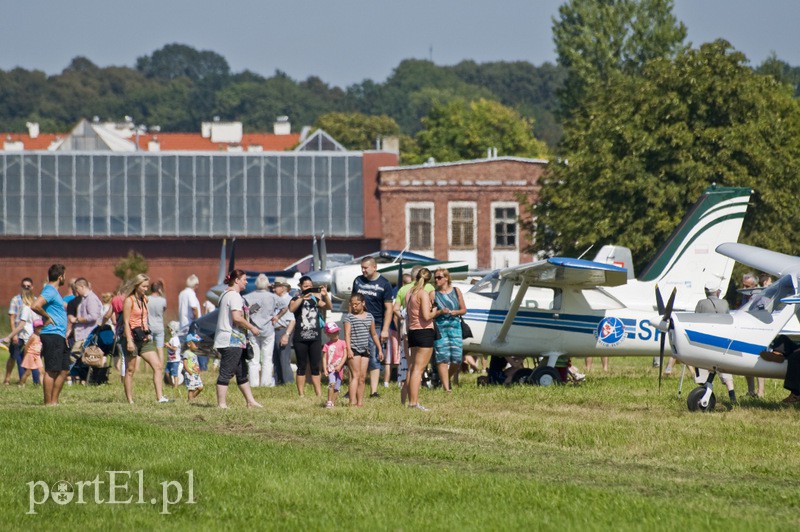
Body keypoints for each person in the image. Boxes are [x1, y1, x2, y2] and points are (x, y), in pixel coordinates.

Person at [214, 269, 262, 409]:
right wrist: (252, 328)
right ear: (236, 280)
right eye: (244, 279)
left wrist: (248, 311)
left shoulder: (225, 294)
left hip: (232, 339)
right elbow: (236, 318)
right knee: (226, 372)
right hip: (231, 340)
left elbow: (234, 315)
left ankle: (250, 401)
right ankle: (221, 404)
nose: (247, 282)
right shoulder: (235, 296)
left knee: (241, 372)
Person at [122, 274, 168, 404]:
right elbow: (126, 322)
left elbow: (145, 318)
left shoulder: (145, 299)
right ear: (137, 286)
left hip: (144, 338)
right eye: (143, 286)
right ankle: (130, 400)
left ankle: (160, 398)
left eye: (147, 286)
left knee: (158, 366)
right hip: (132, 338)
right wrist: (129, 341)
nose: (146, 289)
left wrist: (147, 332)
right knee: (130, 370)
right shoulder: (129, 301)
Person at [351, 256, 394, 398]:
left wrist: (385, 330)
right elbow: (352, 302)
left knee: (374, 357)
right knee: (355, 355)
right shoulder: (357, 281)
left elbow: (389, 308)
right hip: (357, 324)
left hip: (375, 325)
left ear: (374, 267)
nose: (363, 270)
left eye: (366, 267)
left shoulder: (384, 284)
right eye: (361, 267)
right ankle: (354, 387)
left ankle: (374, 391)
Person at [30, 264, 70, 406]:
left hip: (59, 335)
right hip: (51, 334)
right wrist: (47, 317)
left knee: (64, 369)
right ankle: (48, 403)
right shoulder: (50, 291)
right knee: (52, 369)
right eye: (64, 275)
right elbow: (35, 305)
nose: (65, 278)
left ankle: (54, 401)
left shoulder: (54, 292)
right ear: (60, 277)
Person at [694, 281, 738, 404]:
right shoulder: (724, 303)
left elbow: (696, 319)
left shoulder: (701, 303)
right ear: (717, 292)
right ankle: (732, 395)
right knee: (724, 368)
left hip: (705, 340)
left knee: (703, 365)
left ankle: (703, 390)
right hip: (722, 340)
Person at [400, 268, 436, 411]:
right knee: (418, 370)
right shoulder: (423, 293)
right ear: (429, 281)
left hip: (413, 332)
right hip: (424, 332)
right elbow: (427, 316)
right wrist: (436, 311)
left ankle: (411, 401)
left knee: (413, 367)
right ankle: (413, 403)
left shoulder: (410, 293)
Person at [288, 276, 328, 398]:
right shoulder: (295, 298)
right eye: (305, 286)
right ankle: (301, 394)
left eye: (310, 286)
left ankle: (319, 393)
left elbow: (328, 306)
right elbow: (291, 308)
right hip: (301, 338)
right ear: (300, 286)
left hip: (315, 337)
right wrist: (302, 297)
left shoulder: (315, 299)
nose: (308, 289)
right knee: (301, 366)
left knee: (316, 366)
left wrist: (324, 295)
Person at [344, 293, 384, 407]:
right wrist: (349, 349)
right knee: (355, 375)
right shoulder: (349, 317)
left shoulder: (369, 317)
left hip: (365, 350)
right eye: (352, 304)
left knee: (362, 377)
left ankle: (360, 402)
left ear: (363, 303)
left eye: (357, 304)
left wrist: (380, 349)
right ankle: (352, 402)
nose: (354, 307)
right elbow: (347, 334)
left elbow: (374, 334)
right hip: (354, 348)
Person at [431, 268, 467, 391]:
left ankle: (446, 379)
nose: (436, 280)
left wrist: (455, 312)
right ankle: (447, 388)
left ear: (446, 278)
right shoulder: (433, 294)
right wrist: (440, 312)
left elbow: (464, 310)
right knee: (442, 357)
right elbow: (430, 314)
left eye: (439, 277)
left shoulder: (456, 291)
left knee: (457, 359)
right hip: (440, 328)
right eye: (435, 277)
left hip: (455, 327)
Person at [244, 274, 278, 387]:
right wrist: (277, 316)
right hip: (268, 330)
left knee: (254, 359)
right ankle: (266, 382)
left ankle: (253, 383)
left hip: (253, 329)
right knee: (267, 358)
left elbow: (244, 313)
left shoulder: (247, 297)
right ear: (267, 283)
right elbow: (285, 306)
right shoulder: (273, 297)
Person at [2, 287, 40, 385]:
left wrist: (9, 336)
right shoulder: (35, 308)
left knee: (30, 361)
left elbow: (21, 325)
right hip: (35, 336)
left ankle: (34, 382)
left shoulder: (26, 308)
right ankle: (30, 382)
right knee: (29, 359)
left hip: (28, 337)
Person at [70, 278, 104, 385]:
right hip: (82, 333)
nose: (76, 291)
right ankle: (83, 381)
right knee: (82, 360)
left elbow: (93, 316)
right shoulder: (84, 299)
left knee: (73, 358)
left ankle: (70, 381)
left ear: (82, 287)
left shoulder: (91, 299)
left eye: (77, 288)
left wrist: (78, 319)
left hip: (87, 334)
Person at [271, 277, 295, 386]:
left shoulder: (288, 300)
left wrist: (286, 334)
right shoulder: (278, 299)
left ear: (283, 288)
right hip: (275, 330)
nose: (274, 289)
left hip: (283, 330)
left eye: (276, 287)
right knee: (276, 358)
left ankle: (288, 382)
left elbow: (292, 320)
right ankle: (279, 381)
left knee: (284, 358)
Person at [178, 274, 203, 368]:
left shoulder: (182, 293)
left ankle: (182, 365)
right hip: (190, 324)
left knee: (183, 347)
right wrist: (197, 319)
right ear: (195, 285)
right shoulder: (191, 293)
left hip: (183, 323)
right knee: (192, 347)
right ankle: (191, 365)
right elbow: (194, 307)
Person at [323, 322, 347, 408]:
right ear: (328, 334)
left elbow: (345, 355)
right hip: (331, 368)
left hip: (339, 369)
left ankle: (333, 402)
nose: (336, 334)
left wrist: (340, 365)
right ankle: (329, 401)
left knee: (337, 387)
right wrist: (325, 369)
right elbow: (324, 358)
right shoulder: (327, 345)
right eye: (333, 333)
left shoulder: (343, 343)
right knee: (331, 383)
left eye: (337, 332)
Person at [19, 319, 44, 386]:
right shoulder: (33, 336)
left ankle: (42, 386)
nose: (40, 329)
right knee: (28, 372)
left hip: (37, 355)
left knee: (41, 371)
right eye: (38, 327)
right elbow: (26, 346)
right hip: (30, 354)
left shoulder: (40, 336)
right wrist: (25, 356)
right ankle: (21, 384)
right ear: (34, 328)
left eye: (41, 327)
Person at [148, 280, 167, 366]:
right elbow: (164, 309)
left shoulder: (147, 299)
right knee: (160, 348)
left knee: (148, 349)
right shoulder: (163, 300)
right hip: (159, 325)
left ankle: (148, 367)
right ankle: (161, 365)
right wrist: (162, 293)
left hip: (149, 325)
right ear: (159, 289)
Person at [182, 332, 204, 402]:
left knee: (200, 387)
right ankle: (190, 400)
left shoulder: (194, 354)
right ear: (189, 344)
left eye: (198, 343)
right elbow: (185, 363)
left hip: (196, 374)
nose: (197, 345)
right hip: (190, 373)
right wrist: (189, 371)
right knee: (191, 388)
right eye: (195, 343)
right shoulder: (186, 353)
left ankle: (191, 398)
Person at [165, 324, 182, 390]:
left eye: (169, 328)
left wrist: (168, 346)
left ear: (172, 329)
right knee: (167, 373)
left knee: (175, 374)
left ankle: (175, 387)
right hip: (170, 359)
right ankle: (172, 385)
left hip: (175, 360)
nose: (168, 330)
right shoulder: (172, 338)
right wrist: (167, 345)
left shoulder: (175, 339)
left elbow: (175, 348)